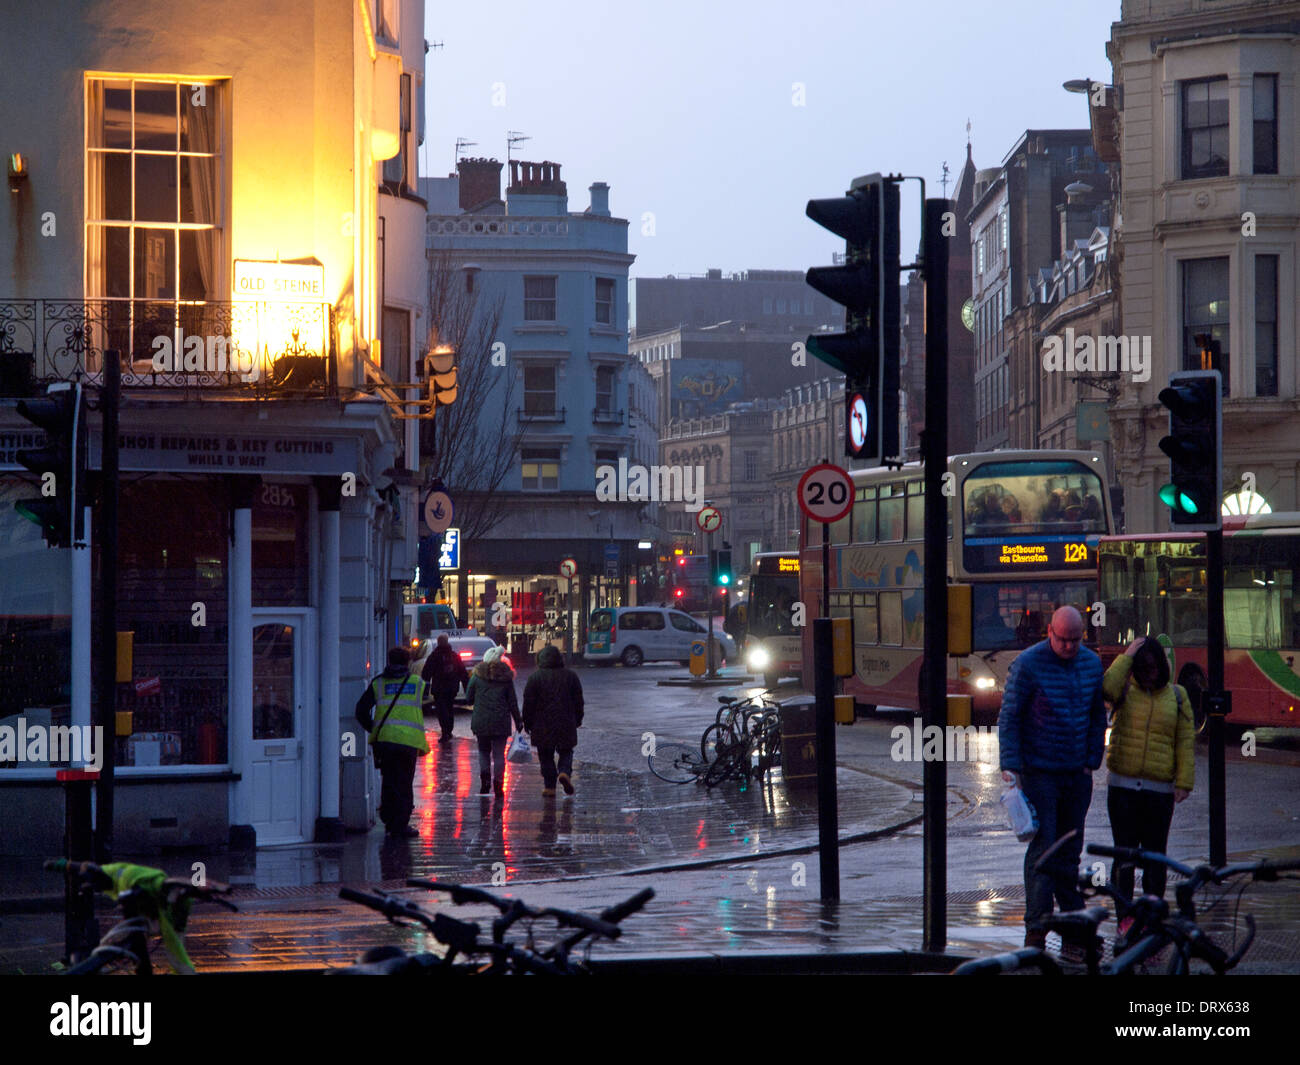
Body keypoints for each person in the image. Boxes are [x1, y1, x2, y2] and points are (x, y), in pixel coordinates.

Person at [999, 605, 1107, 955]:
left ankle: (1070, 925)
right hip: (1040, 772)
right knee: (1045, 849)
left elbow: (1096, 717)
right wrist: (1011, 767)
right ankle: (1038, 927)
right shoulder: (1029, 664)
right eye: (1063, 640)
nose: (1069, 647)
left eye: (1075, 640)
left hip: (1076, 773)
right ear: (1050, 632)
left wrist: (1092, 759)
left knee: (1069, 850)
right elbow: (1010, 716)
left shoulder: (1090, 664)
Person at [1102, 636, 1195, 938]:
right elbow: (1106, 688)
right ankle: (1125, 920)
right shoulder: (1124, 691)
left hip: (1159, 792)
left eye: (1153, 668)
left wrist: (1183, 782)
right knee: (1125, 858)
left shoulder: (1178, 697)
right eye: (1142, 668)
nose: (1148, 673)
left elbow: (1184, 741)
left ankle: (1152, 921)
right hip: (1123, 789)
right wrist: (1127, 655)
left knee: (1155, 859)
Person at [355, 646, 428, 838]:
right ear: (407, 662)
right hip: (408, 742)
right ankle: (401, 824)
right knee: (404, 782)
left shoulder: (378, 684)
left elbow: (360, 711)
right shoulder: (417, 683)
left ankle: (388, 819)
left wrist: (376, 729)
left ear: (389, 661)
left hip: (385, 741)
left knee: (388, 780)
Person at [521, 645, 585, 797]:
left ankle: (549, 787)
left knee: (545, 754)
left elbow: (528, 703)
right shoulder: (571, 676)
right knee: (566, 750)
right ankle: (564, 772)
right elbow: (578, 701)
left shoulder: (535, 678)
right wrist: (578, 719)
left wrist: (527, 722)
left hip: (542, 724)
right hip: (566, 721)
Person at [465, 644, 522, 798]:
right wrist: (518, 721)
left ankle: (485, 782)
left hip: (481, 722)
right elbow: (512, 702)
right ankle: (498, 785)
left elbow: (468, 699)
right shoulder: (506, 679)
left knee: (483, 752)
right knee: (498, 755)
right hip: (501, 723)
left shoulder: (477, 677)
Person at [422, 634, 469, 743]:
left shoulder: (434, 656)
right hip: (452, 688)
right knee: (449, 708)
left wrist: (424, 690)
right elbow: (463, 673)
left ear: (438, 643)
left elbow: (426, 673)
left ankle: (445, 731)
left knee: (441, 710)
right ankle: (449, 730)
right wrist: (467, 689)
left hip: (439, 688)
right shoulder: (454, 656)